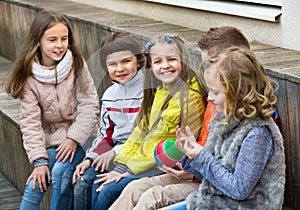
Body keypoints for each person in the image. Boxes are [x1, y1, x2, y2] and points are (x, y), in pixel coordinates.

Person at [109, 26, 251, 210]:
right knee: (134, 188)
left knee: (151, 197)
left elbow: (235, 180)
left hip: (213, 188)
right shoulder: (212, 99)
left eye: (210, 64)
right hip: (194, 172)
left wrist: (193, 172)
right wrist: (187, 163)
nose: (205, 71)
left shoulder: (248, 119)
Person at [91, 34, 208, 210]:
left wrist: (126, 170)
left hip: (166, 164)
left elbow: (157, 138)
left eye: (171, 59)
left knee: (108, 190)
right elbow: (141, 130)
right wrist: (122, 164)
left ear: (183, 60)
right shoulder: (161, 89)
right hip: (146, 161)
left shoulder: (188, 97)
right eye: (158, 61)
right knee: (94, 182)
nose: (165, 65)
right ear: (150, 65)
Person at [4, 10, 99, 210]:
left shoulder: (77, 64)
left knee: (59, 173)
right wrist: (39, 161)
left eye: (64, 39)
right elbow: (30, 123)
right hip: (54, 142)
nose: (59, 45)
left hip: (83, 138)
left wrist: (73, 138)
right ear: (38, 40)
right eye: (52, 39)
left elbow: (89, 105)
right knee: (37, 180)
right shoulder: (29, 77)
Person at [172, 46, 286, 209]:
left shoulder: (257, 133)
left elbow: (239, 189)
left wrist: (202, 157)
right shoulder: (223, 120)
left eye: (215, 92)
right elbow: (212, 175)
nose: (209, 98)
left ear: (239, 93)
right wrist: (192, 153)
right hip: (210, 201)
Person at [69, 32, 145, 210]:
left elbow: (146, 134)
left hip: (138, 155)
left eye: (126, 61)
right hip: (113, 154)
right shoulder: (110, 95)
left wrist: (115, 153)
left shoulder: (148, 91)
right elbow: (106, 134)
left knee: (101, 188)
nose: (120, 69)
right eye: (113, 64)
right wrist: (91, 157)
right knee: (83, 179)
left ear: (139, 61)